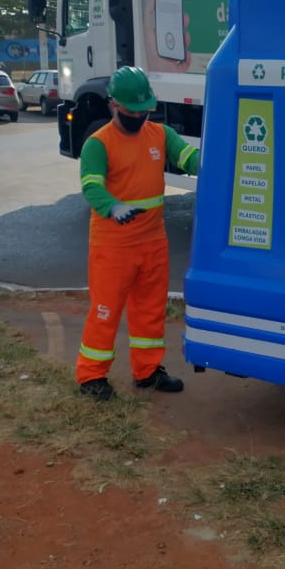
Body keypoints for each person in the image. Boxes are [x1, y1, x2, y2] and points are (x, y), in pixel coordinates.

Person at [76, 66, 200, 400]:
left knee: (150, 310)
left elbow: (189, 158)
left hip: (152, 242)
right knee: (106, 312)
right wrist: (113, 207)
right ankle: (91, 377)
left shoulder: (159, 135)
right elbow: (91, 186)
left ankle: (147, 371)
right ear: (113, 104)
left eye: (143, 110)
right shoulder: (97, 144)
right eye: (131, 110)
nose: (138, 116)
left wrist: (214, 165)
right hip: (113, 246)